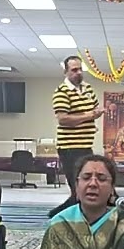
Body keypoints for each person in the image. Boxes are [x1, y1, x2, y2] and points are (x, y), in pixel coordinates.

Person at [49, 56, 103, 217]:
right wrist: (89, 115)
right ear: (66, 72)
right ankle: (58, 216)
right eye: (74, 70)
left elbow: (93, 111)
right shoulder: (61, 92)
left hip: (86, 146)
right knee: (78, 189)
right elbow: (63, 119)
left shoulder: (88, 89)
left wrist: (96, 114)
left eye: (80, 69)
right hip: (69, 147)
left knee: (84, 187)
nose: (78, 73)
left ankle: (63, 216)